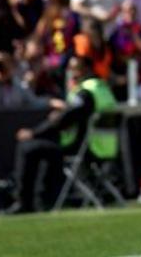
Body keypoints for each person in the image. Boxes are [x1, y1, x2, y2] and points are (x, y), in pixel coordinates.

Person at [10, 56, 116, 213]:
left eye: (75, 69)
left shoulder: (85, 93)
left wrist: (34, 132)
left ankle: (24, 203)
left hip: (83, 147)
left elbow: (64, 120)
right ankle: (41, 201)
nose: (72, 74)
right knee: (42, 146)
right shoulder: (102, 88)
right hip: (106, 147)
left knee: (28, 147)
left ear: (86, 69)